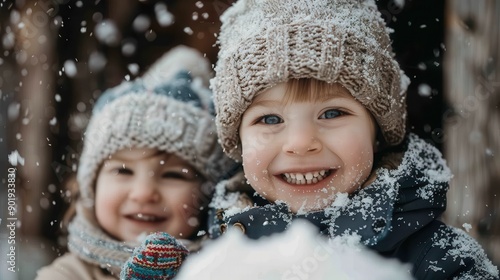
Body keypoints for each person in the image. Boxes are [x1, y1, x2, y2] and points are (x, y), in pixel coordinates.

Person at [207, 0, 500, 279]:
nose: (299, 142)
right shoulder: (214, 256)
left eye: (332, 113)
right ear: (239, 141)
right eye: (270, 119)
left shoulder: (440, 260)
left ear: (377, 133)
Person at [35, 45, 234, 279]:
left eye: (173, 175)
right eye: (123, 171)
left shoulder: (228, 268)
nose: (143, 193)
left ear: (208, 192)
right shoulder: (67, 276)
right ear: (91, 185)